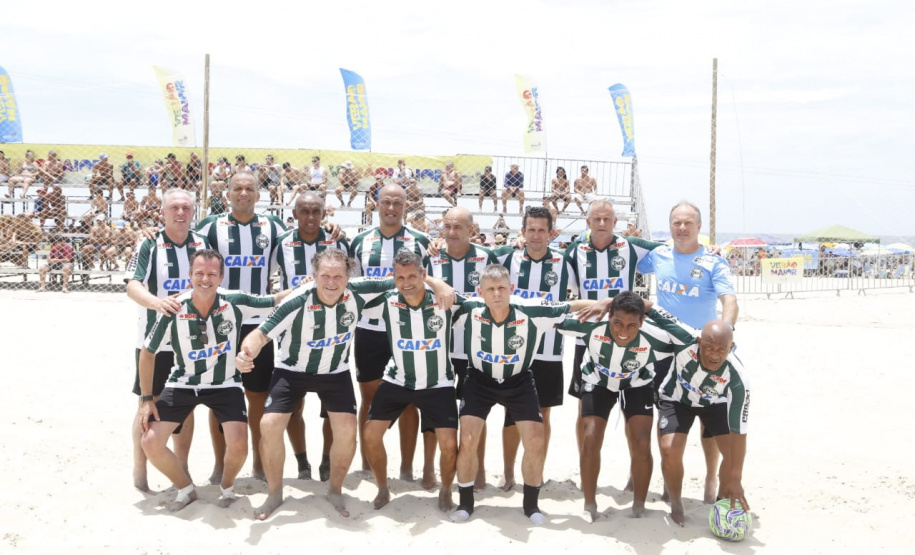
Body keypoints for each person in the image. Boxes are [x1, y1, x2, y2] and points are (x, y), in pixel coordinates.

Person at [137, 249, 291, 511]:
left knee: (239, 443)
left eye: (211, 274)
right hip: (183, 382)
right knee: (150, 441)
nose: (205, 279)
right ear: (189, 276)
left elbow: (274, 298)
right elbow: (148, 353)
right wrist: (146, 399)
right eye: (199, 273)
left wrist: (307, 285)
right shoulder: (173, 307)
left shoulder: (234, 300)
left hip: (225, 384)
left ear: (221, 276)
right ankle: (186, 488)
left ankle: (227, 486)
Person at [449, 264, 597, 525]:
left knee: (536, 439)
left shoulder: (531, 311)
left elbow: (568, 306)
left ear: (511, 289)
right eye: (491, 289)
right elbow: (441, 293)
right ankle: (465, 503)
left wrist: (605, 302)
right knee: (469, 437)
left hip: (519, 381)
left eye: (502, 288)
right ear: (480, 292)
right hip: (479, 380)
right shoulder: (468, 309)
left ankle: (531, 505)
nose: (497, 294)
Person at [636, 201, 738, 504]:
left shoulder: (713, 261)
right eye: (676, 223)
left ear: (698, 227)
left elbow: (729, 302)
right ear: (670, 226)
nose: (682, 228)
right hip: (665, 350)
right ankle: (669, 483)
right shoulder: (658, 255)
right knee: (667, 416)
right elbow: (627, 254)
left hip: (702, 352)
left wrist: (725, 335)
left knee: (709, 418)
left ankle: (709, 477)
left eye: (688, 223)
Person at [195, 171, 288, 484]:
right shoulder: (210, 227)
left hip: (258, 325)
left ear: (259, 195)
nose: (244, 193)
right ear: (228, 193)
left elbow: (299, 244)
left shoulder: (273, 227)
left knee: (258, 396)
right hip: (219, 322)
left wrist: (331, 228)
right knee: (217, 395)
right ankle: (221, 465)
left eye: (250, 188)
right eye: (238, 188)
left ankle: (260, 464)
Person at [556, 292, 674, 520]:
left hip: (637, 383)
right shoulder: (591, 325)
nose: (623, 331)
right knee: (590, 437)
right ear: (608, 316)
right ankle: (589, 504)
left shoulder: (657, 337)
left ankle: (639, 505)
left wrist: (613, 301)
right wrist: (597, 304)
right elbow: (553, 313)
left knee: (641, 442)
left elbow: (685, 336)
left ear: (642, 321)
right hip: (597, 380)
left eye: (632, 325)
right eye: (617, 322)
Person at [360, 250, 459, 512]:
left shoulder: (443, 300)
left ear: (424, 275)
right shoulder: (387, 300)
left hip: (438, 382)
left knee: (449, 443)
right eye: (400, 277)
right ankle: (382, 488)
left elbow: (480, 304)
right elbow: (349, 289)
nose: (406, 283)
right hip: (398, 379)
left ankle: (446, 490)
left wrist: (439, 284)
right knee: (370, 434)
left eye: (412, 276)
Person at [125, 188, 209, 492]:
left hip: (189, 342)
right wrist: (156, 303)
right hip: (153, 340)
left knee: (185, 407)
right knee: (148, 405)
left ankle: (181, 466)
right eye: (174, 207)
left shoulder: (201, 244)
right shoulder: (149, 242)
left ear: (192, 212)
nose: (180, 213)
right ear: (163, 212)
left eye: (186, 207)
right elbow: (132, 285)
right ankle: (139, 466)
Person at [564, 200, 661, 453]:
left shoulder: (631, 246)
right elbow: (551, 261)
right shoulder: (575, 251)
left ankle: (634, 473)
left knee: (631, 407)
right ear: (588, 223)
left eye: (607, 219)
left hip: (627, 337)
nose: (602, 223)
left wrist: (708, 249)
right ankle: (584, 461)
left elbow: (670, 249)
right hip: (587, 338)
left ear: (615, 223)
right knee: (584, 407)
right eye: (596, 219)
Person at [349, 184, 431, 480]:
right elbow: (350, 287)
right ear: (376, 204)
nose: (392, 208)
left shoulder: (420, 242)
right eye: (386, 202)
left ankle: (407, 468)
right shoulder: (359, 241)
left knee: (408, 400)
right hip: (369, 330)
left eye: (398, 202)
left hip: (407, 332)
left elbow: (429, 284)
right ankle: (368, 463)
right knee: (369, 400)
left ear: (406, 206)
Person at [492, 206, 575, 491]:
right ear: (523, 231)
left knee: (543, 414)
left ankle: (536, 471)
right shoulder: (506, 257)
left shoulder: (565, 262)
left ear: (551, 233)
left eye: (542, 230)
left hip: (549, 351)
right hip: (513, 349)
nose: (536, 235)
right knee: (511, 413)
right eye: (531, 230)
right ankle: (507, 472)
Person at [646, 303, 751, 526]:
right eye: (709, 347)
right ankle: (676, 505)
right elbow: (649, 306)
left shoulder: (738, 379)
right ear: (700, 342)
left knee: (731, 456)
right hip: (677, 398)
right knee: (669, 450)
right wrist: (608, 303)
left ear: (731, 348)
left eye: (721, 349)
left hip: (714, 403)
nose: (714, 354)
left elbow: (739, 433)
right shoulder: (685, 337)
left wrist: (736, 478)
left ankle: (722, 504)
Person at [272, 192, 350, 482]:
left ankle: (326, 461)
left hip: (333, 333)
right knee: (294, 405)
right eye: (304, 211)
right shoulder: (282, 243)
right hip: (292, 333)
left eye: (316, 211)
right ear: (294, 213)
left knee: (331, 408)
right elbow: (264, 274)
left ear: (324, 214)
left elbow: (351, 279)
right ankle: (302, 461)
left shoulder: (337, 240)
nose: (310, 217)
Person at [426, 207, 497, 489]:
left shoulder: (485, 257)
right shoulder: (431, 256)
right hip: (437, 347)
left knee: (475, 413)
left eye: (458, 227)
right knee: (433, 411)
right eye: (447, 227)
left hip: (473, 349)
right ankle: (429, 469)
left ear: (471, 229)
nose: (452, 232)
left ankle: (477, 471)